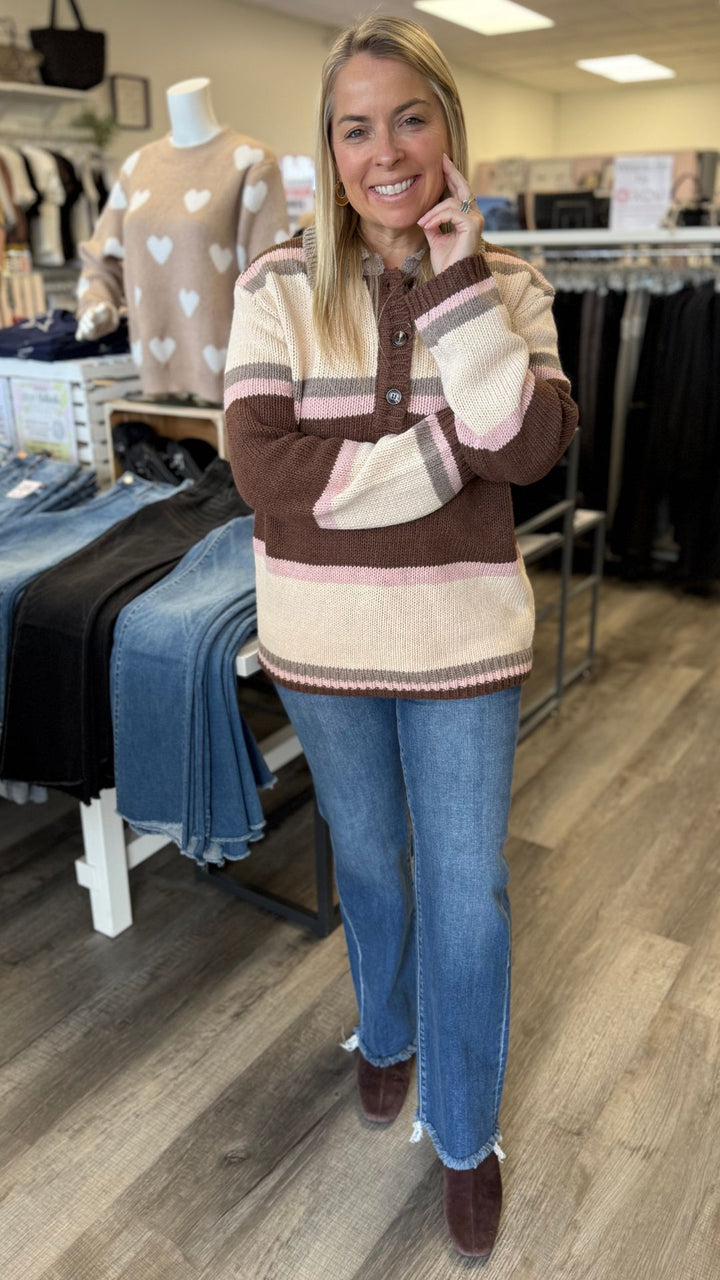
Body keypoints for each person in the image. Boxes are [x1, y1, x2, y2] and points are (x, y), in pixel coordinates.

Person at [223, 14, 578, 1263]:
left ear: (447, 128)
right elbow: (264, 469)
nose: (387, 150)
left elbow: (527, 449)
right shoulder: (274, 284)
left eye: (410, 117)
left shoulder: (512, 285)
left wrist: (454, 283)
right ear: (329, 146)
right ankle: (384, 1035)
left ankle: (467, 1133)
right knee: (370, 865)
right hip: (320, 639)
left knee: (468, 892)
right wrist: (437, 457)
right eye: (356, 126)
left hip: (463, 642)